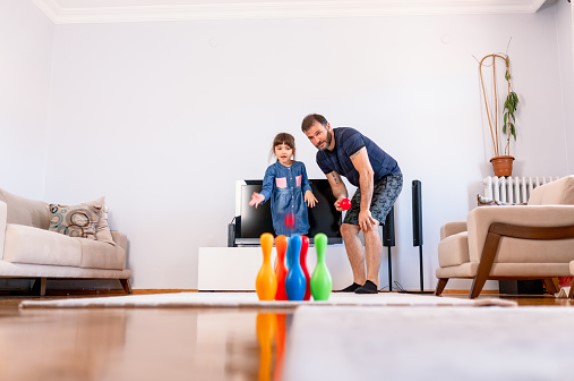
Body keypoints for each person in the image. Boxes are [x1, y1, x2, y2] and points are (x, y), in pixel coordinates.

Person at [301, 114, 403, 294]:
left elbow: (367, 173)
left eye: (318, 133)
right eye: (311, 137)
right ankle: (359, 281)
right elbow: (337, 184)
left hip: (387, 177)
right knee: (347, 228)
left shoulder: (348, 138)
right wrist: (341, 198)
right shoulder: (322, 158)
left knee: (368, 222)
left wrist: (364, 210)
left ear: (328, 126)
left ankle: (372, 282)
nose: (317, 140)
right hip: (367, 183)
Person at [249, 132, 318, 236]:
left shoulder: (300, 166)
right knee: (284, 241)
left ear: (293, 150)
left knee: (299, 241)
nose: (283, 152)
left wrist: (308, 191)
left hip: (299, 211)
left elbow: (305, 183)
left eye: (287, 148)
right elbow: (267, 188)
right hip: (282, 213)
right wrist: (261, 196)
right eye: (279, 148)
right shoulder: (272, 169)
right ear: (274, 151)